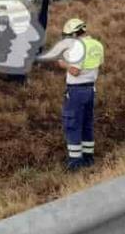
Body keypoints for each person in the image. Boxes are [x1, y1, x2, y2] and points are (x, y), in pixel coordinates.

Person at [37, 18, 104, 170]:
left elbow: (75, 71)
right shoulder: (97, 45)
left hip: (76, 92)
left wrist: (63, 63)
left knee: (72, 125)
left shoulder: (78, 48)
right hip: (90, 90)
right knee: (87, 125)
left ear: (74, 34)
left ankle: (75, 164)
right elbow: (98, 64)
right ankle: (88, 159)